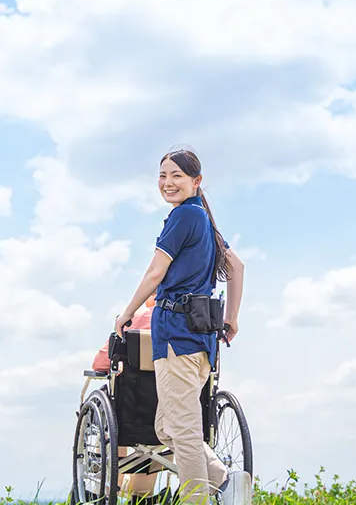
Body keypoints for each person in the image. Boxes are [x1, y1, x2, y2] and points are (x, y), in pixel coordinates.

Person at [114, 148, 248, 505]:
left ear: (196, 181)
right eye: (163, 175)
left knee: (184, 432)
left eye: (177, 175)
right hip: (201, 338)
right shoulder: (203, 219)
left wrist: (127, 312)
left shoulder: (183, 217)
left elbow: (155, 272)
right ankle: (227, 482)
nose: (168, 182)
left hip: (178, 336)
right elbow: (236, 266)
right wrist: (231, 318)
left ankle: (197, 500)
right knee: (166, 428)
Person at [92, 293, 160, 503]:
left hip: (130, 414)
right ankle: (142, 493)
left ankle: (101, 486)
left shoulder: (139, 318)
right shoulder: (194, 326)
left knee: (112, 411)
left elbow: (100, 364)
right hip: (172, 416)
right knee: (162, 433)